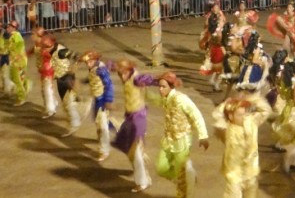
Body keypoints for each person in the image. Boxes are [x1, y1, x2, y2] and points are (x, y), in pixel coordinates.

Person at [155, 72, 209, 198]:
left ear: (171, 86)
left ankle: (184, 185)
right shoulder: (165, 99)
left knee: (181, 176)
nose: (160, 89)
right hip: (169, 139)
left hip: (182, 140)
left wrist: (203, 135)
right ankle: (188, 177)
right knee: (161, 168)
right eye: (159, 86)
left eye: (163, 86)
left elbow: (196, 115)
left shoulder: (182, 99)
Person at [212, 94, 272, 198]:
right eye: (240, 115)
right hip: (234, 173)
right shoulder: (227, 128)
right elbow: (217, 115)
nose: (244, 118)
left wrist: (250, 98)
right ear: (231, 116)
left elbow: (266, 110)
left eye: (245, 114)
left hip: (251, 171)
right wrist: (226, 103)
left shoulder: (252, 122)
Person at [112, 59, 155, 193]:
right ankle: (144, 176)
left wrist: (162, 79)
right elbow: (110, 65)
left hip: (138, 118)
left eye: (123, 73)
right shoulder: (126, 75)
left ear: (129, 70)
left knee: (134, 152)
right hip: (130, 117)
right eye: (120, 74)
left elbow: (148, 79)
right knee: (129, 150)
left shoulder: (136, 78)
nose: (122, 77)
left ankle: (142, 182)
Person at [80, 51, 115, 161]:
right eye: (87, 62)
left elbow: (109, 85)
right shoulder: (94, 68)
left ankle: (104, 150)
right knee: (100, 123)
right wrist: (85, 81)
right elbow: (94, 77)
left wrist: (108, 100)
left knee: (102, 125)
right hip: (97, 99)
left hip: (102, 100)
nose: (88, 64)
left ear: (95, 60)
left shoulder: (101, 70)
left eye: (90, 61)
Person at [45, 33, 82, 136]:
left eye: (46, 47)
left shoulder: (61, 51)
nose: (45, 49)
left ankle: (75, 123)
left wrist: (73, 69)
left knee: (68, 103)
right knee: (66, 103)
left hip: (67, 78)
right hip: (60, 79)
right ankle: (74, 119)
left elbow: (77, 56)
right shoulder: (52, 50)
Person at [199, 5, 226, 91]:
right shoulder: (211, 18)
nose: (216, 9)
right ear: (212, 9)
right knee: (222, 64)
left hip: (214, 45)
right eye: (215, 8)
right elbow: (207, 27)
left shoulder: (218, 16)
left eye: (217, 8)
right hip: (216, 46)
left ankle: (213, 81)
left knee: (217, 64)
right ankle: (216, 84)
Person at [5, 20, 30, 106]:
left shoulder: (16, 36)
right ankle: (27, 85)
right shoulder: (13, 36)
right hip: (17, 61)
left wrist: (15, 58)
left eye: (9, 26)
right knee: (17, 77)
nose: (7, 28)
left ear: (13, 28)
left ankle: (21, 97)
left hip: (18, 62)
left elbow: (19, 47)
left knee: (17, 79)